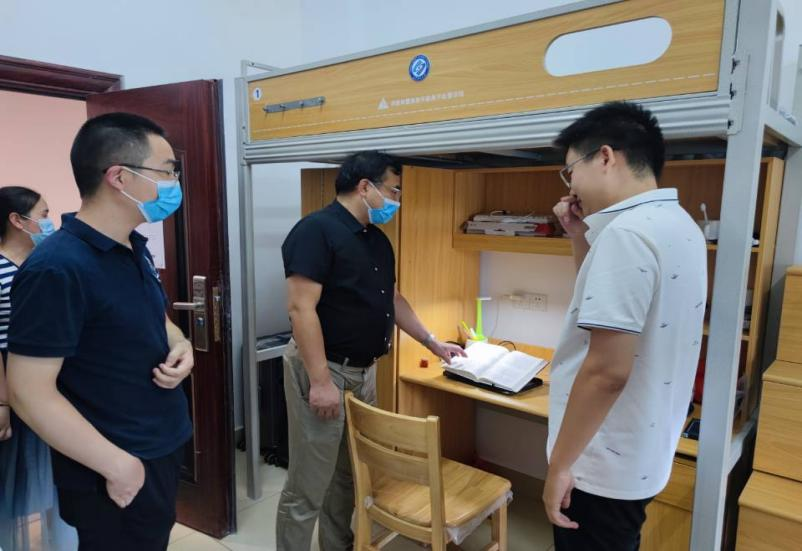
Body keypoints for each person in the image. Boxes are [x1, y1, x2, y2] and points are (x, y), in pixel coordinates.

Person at [6, 113, 194, 551]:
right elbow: (28, 391)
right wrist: (116, 465)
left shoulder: (132, 245)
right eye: (167, 171)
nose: (173, 183)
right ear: (120, 177)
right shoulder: (57, 268)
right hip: (110, 461)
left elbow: (154, 318)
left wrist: (180, 343)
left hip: (158, 440)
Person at [277, 151, 466, 550]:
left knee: (348, 473)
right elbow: (300, 308)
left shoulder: (376, 240)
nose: (397, 200)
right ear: (365, 187)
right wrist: (321, 382)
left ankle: (338, 545)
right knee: (308, 482)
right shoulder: (316, 231)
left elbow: (392, 299)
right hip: (324, 369)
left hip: (364, 372)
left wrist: (432, 342)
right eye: (394, 190)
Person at [543, 101, 706, 550]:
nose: (571, 186)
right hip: (641, 452)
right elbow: (603, 305)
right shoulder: (680, 225)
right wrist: (579, 236)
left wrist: (560, 465)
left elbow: (607, 372)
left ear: (605, 157)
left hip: (598, 464)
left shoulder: (626, 235)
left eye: (570, 171)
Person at [0, 186, 77, 551]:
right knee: (15, 476)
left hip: (50, 376)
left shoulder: (44, 261)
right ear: (17, 220)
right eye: (43, 214)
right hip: (9, 377)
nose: (49, 222)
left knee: (53, 470)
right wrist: (3, 402)